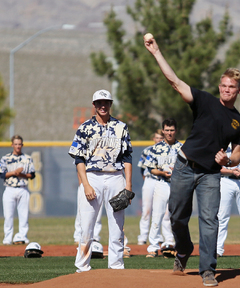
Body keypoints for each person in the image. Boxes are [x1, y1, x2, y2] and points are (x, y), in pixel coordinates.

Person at [144, 33, 240, 287]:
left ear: (239, 90)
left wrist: (228, 162)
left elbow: (237, 154)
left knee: (210, 219)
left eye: (231, 86)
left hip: (211, 174)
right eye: (223, 85)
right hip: (184, 166)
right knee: (177, 216)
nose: (226, 89)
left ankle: (208, 270)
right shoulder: (205, 101)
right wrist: (156, 52)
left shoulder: (239, 123)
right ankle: (184, 248)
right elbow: (176, 82)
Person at [68, 89, 133, 272]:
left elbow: (127, 157)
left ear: (111, 104)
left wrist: (127, 186)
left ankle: (116, 265)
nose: (103, 105)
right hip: (92, 177)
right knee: (87, 225)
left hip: (115, 177)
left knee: (117, 226)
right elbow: (78, 158)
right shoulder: (85, 128)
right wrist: (86, 184)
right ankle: (82, 267)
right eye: (99, 103)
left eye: (106, 102)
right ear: (94, 105)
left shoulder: (121, 127)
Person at [143, 119, 181, 258]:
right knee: (157, 215)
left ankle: (176, 245)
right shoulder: (156, 148)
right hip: (162, 183)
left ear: (175, 131)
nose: (169, 133)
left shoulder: (182, 148)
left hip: (178, 185)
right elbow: (151, 168)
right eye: (167, 130)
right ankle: (153, 247)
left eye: (172, 130)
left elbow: (188, 167)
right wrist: (162, 172)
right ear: (163, 131)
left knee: (178, 216)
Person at [0, 134, 36, 245]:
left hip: (23, 188)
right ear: (12, 144)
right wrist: (14, 172)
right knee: (8, 216)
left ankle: (22, 236)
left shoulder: (27, 158)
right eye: (16, 144)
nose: (18, 146)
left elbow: (32, 175)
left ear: (22, 145)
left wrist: (21, 174)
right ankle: (7, 238)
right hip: (9, 189)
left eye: (19, 144)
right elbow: (1, 174)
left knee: (24, 215)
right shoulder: (6, 158)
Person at [137, 129, 164, 246]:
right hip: (150, 180)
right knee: (146, 210)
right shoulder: (147, 151)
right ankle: (142, 237)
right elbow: (142, 168)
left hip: (163, 181)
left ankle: (159, 236)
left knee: (163, 211)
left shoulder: (167, 150)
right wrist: (146, 180)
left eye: (161, 138)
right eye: (157, 137)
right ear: (153, 139)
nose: (159, 140)